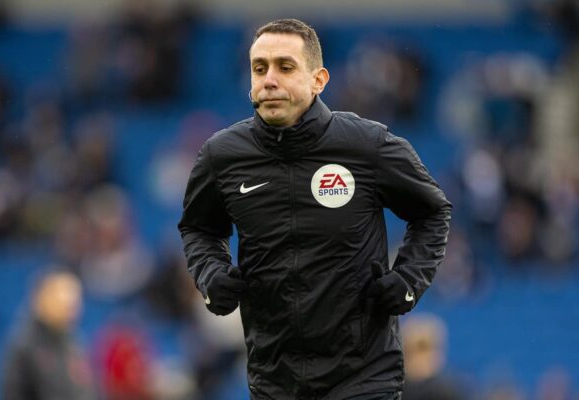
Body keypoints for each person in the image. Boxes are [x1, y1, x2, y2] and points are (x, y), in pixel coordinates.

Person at [178, 18, 451, 400]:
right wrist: (211, 275)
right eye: (260, 68)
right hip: (274, 378)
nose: (269, 79)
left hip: (363, 377)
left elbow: (432, 212)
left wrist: (408, 280)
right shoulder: (222, 156)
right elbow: (199, 229)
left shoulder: (367, 145)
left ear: (318, 80)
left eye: (285, 67)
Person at [0, 269, 95, 400]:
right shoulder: (25, 344)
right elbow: (12, 392)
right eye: (67, 300)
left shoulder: (74, 343)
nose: (75, 308)